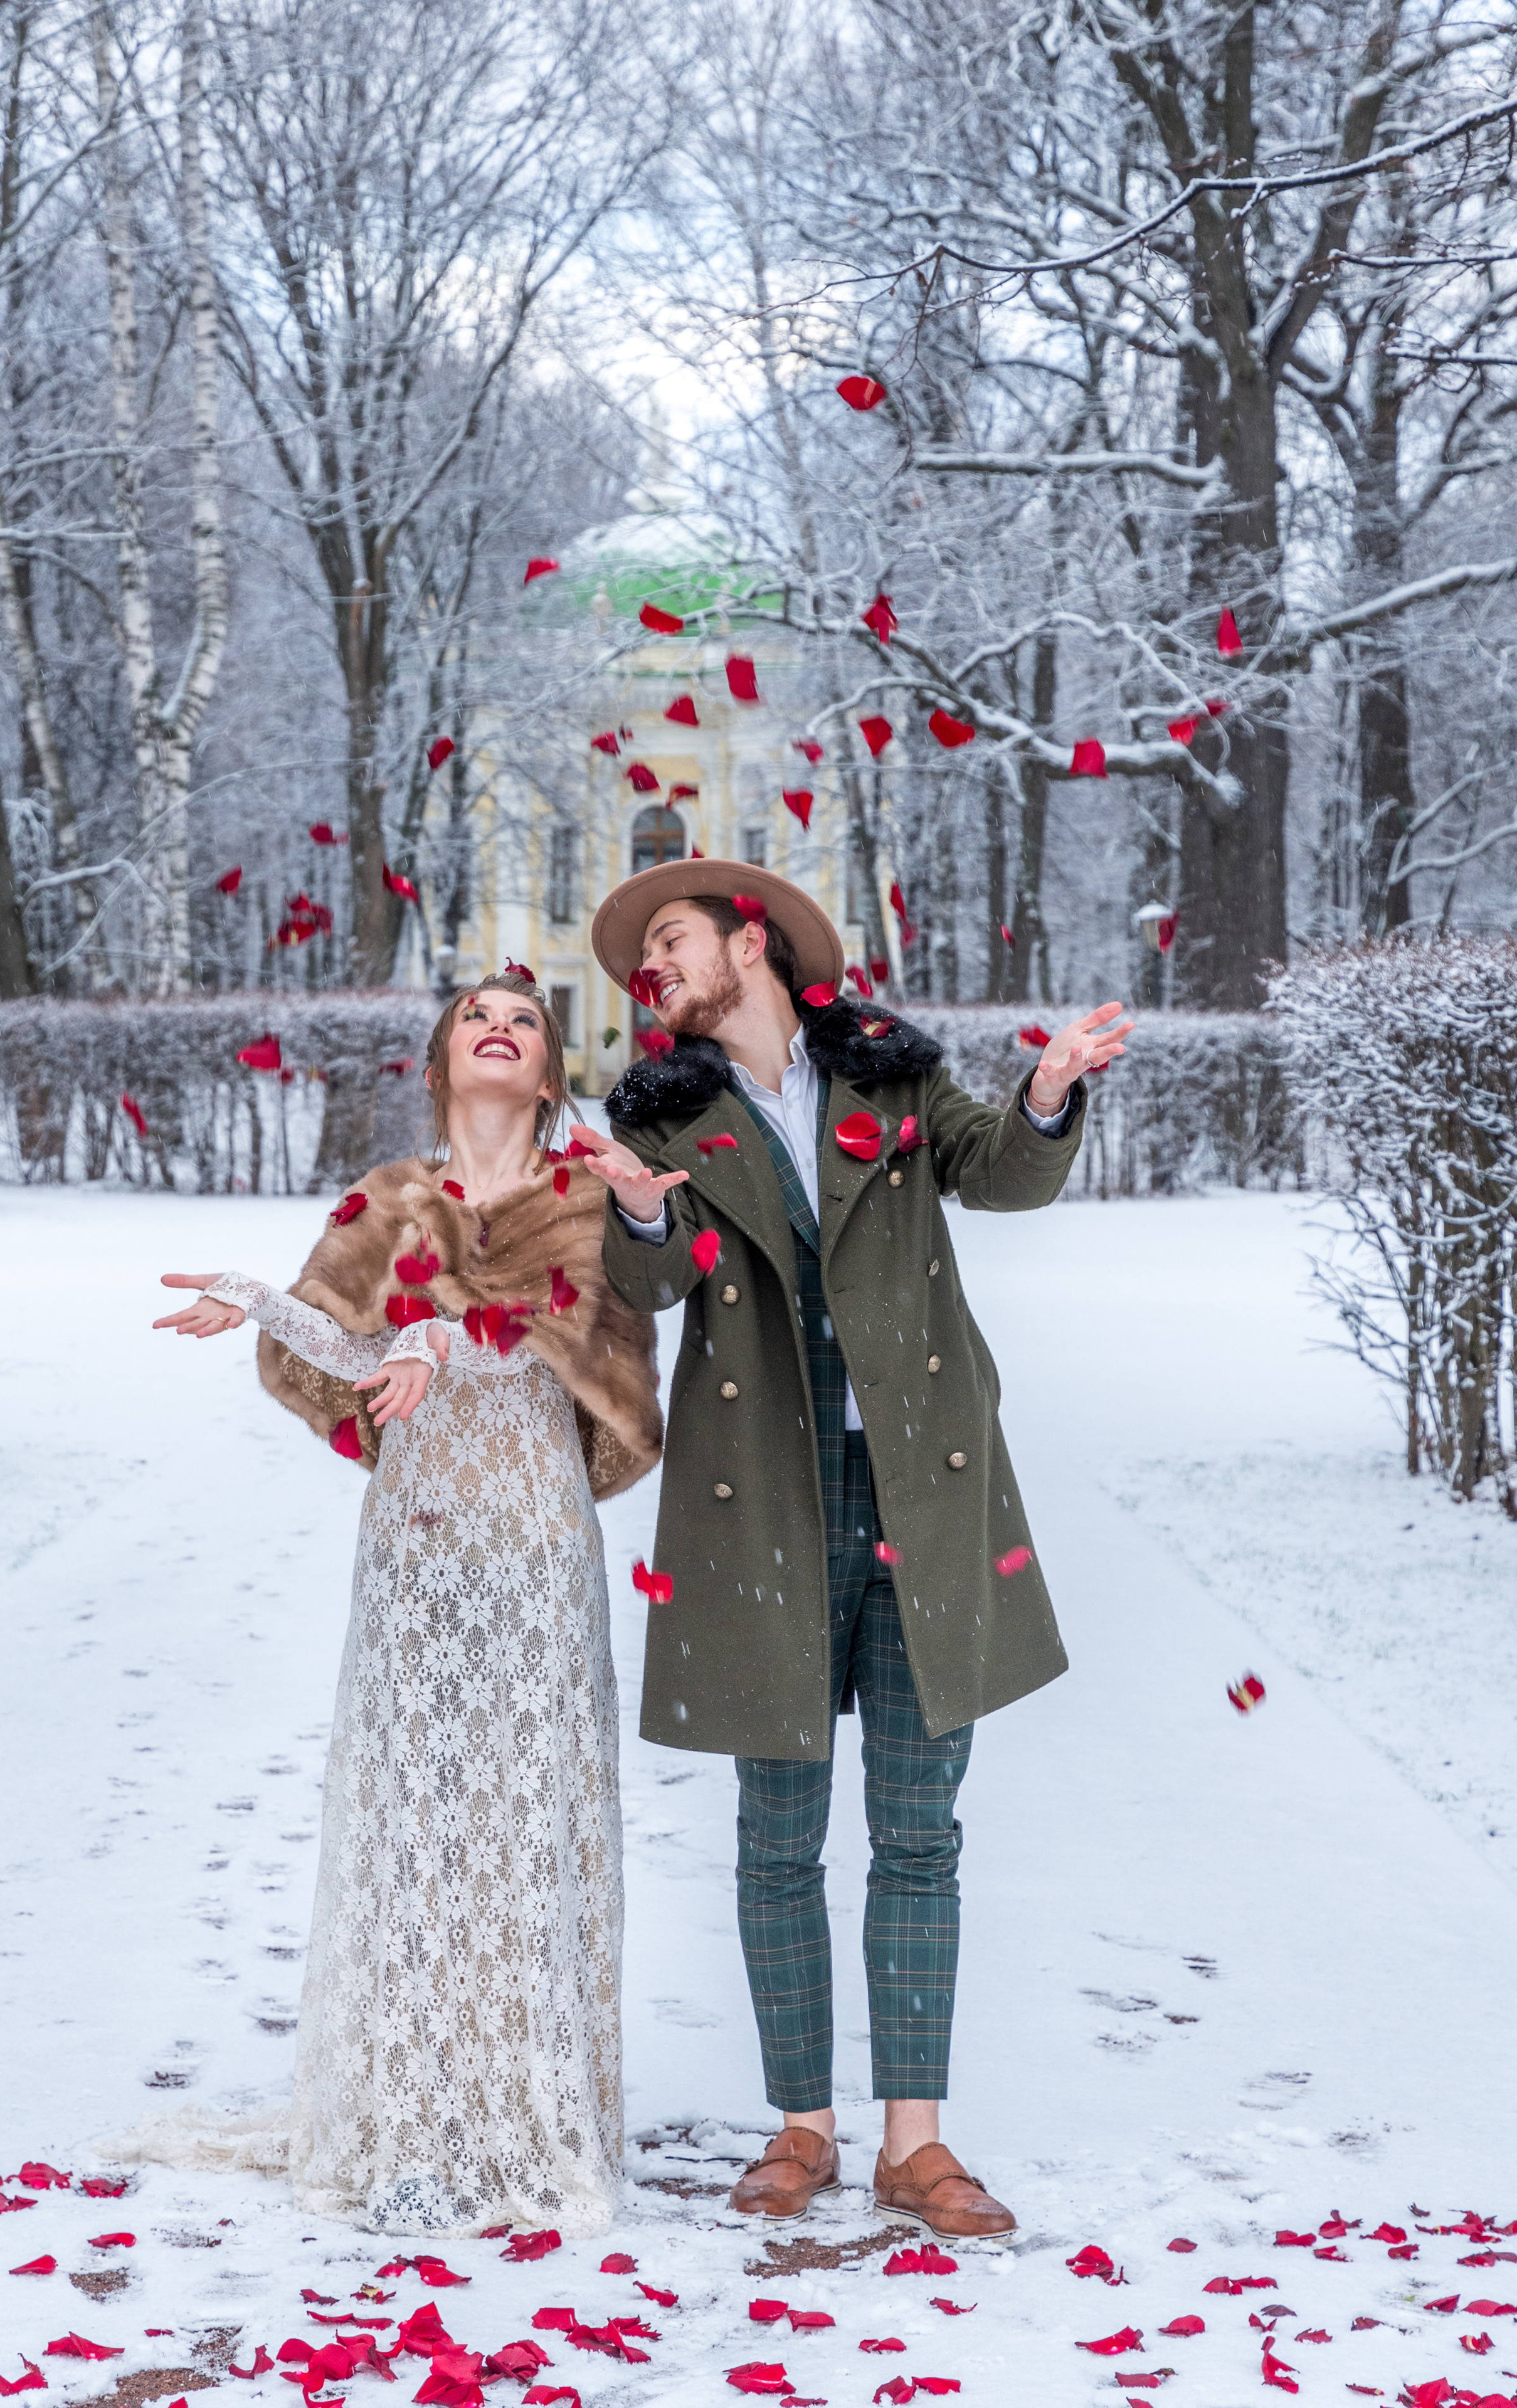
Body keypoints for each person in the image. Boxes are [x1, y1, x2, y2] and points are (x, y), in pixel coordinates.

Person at [583, 860, 1131, 2242]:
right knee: (776, 1835)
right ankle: (800, 2129)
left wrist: (1049, 1090)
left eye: (669, 938)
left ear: (747, 943)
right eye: (640, 954)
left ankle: (914, 2145)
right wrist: (642, 1209)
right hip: (758, 1494)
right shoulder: (667, 1116)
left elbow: (1003, 1178)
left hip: (922, 1489)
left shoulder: (889, 1081)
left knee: (915, 1829)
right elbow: (649, 1283)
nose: (650, 965)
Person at [128, 972, 662, 2236]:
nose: (500, 1023)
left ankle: (525, 2116)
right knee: (414, 1820)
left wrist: (452, 1333)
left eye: (525, 1020)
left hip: (535, 1531)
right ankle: (412, 2121)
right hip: (417, 1541)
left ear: (544, 1074)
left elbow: (597, 1346)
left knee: (523, 1821)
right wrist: (264, 1302)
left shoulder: (587, 1198)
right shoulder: (387, 1201)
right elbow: (348, 1353)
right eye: (475, 1012)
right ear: (438, 1065)